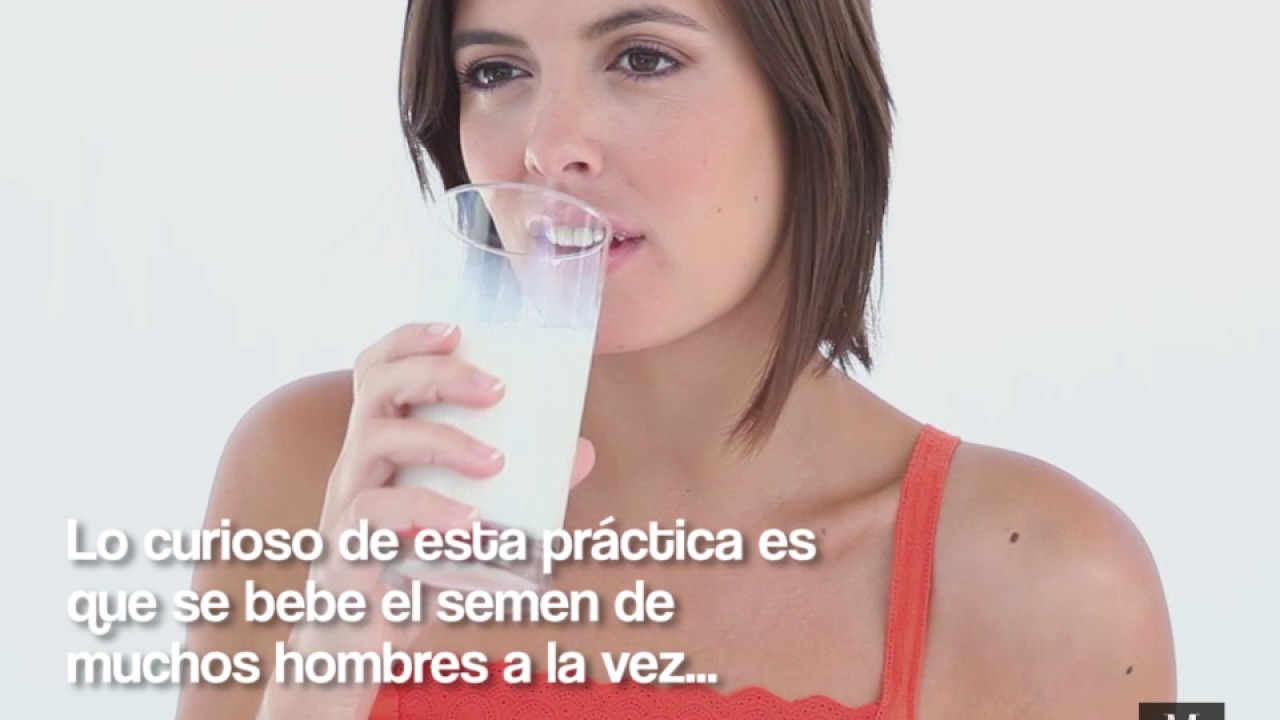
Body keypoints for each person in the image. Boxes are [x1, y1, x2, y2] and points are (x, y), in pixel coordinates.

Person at [177, 0, 1177, 718]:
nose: (549, 148)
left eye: (642, 57)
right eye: (495, 72)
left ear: (806, 94)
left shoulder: (1050, 578)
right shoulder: (319, 474)